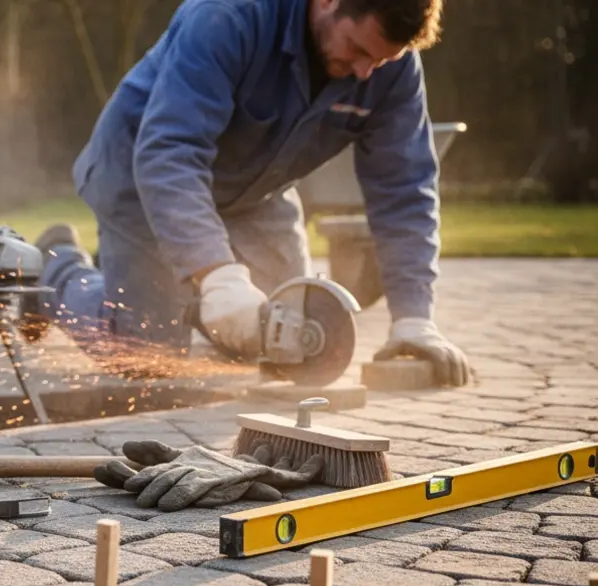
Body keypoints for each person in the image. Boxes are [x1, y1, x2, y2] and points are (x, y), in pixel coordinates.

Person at [37, 0, 470, 387]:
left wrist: (413, 318)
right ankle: (54, 270)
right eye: (358, 50)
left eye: (379, 60)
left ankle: (181, 291)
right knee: (145, 354)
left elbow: (405, 190)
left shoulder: (390, 67)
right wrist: (218, 275)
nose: (364, 72)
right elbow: (171, 153)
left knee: (285, 336)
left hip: (254, 193)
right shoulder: (227, 17)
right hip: (142, 176)